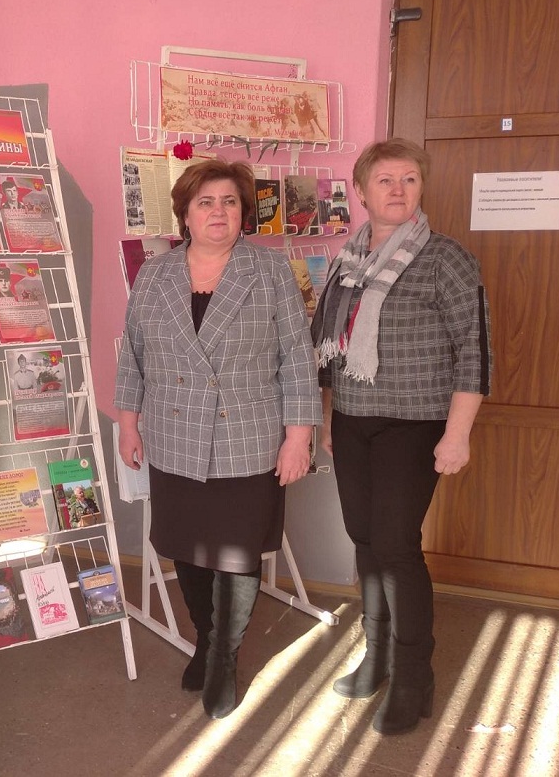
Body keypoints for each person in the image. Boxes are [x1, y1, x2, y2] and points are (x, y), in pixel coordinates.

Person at [115, 158, 320, 719]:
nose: (218, 212)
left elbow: (297, 359)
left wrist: (298, 438)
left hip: (247, 439)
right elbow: (133, 356)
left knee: (235, 554)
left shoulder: (270, 270)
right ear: (185, 213)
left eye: (230, 202)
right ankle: (207, 640)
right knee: (189, 549)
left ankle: (224, 658)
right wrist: (128, 423)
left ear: (243, 212)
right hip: (174, 436)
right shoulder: (155, 275)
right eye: (205, 202)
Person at [311, 138, 491, 736]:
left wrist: (457, 434)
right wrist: (330, 417)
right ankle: (377, 656)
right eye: (385, 180)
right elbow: (330, 349)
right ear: (361, 192)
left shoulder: (446, 258)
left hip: (414, 423)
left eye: (408, 179)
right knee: (364, 540)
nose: (397, 189)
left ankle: (415, 675)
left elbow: (474, 351)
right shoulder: (347, 260)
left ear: (420, 188)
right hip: (353, 421)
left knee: (395, 545)